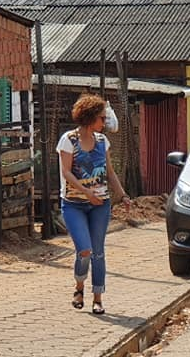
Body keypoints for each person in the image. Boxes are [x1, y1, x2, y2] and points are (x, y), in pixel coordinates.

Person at [57, 94, 132, 315]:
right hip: (74, 204)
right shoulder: (68, 140)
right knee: (85, 250)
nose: (104, 122)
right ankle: (79, 287)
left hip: (100, 204)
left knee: (98, 252)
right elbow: (66, 172)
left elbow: (109, 171)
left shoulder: (102, 141)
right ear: (90, 117)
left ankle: (97, 298)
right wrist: (86, 192)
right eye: (101, 118)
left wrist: (123, 194)